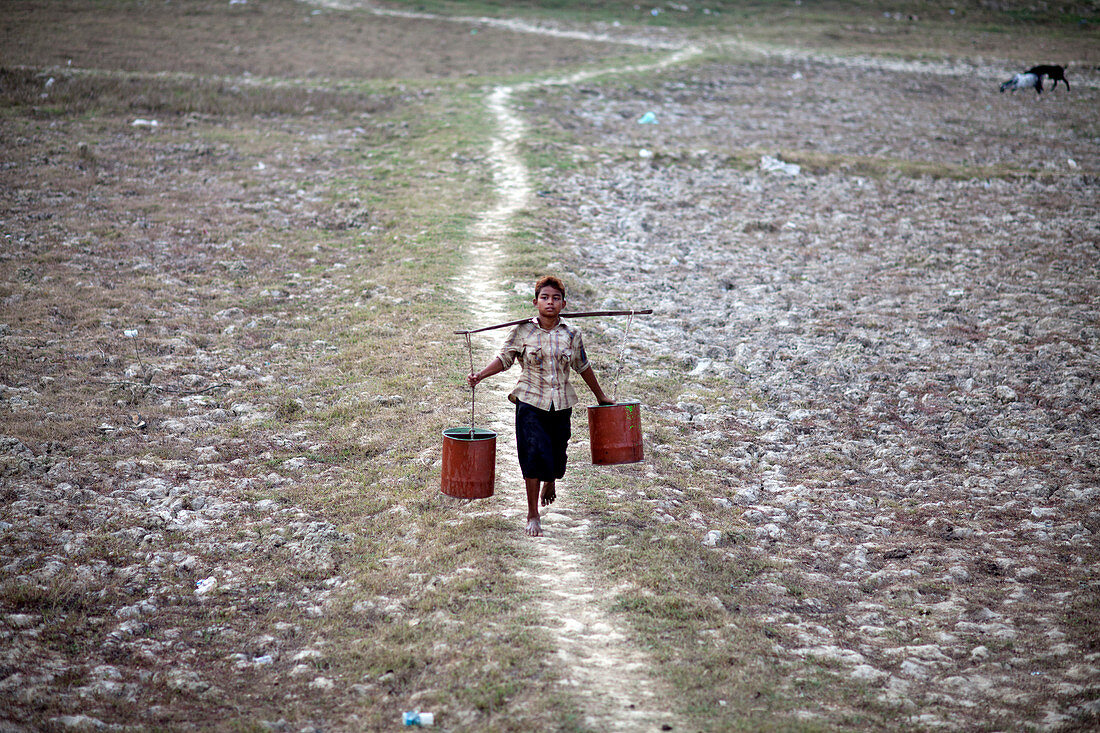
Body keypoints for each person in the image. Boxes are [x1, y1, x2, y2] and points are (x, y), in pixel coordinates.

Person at [467, 276, 613, 536]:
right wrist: (480, 375)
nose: (550, 302)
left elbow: (583, 366)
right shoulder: (522, 331)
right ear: (535, 303)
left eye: (556, 298)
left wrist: (600, 396)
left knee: (557, 456)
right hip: (530, 401)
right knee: (533, 454)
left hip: (561, 404)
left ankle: (551, 481)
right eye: (545, 298)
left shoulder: (572, 334)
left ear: (563, 304)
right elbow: (504, 358)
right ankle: (533, 514)